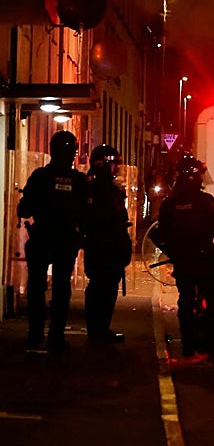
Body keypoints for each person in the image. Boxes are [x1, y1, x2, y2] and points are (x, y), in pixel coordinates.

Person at [151, 155, 214, 361]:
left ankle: (189, 345)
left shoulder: (170, 204)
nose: (201, 180)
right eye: (198, 176)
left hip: (185, 262)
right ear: (191, 178)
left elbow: (161, 234)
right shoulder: (206, 202)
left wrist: (174, 253)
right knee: (212, 304)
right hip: (206, 261)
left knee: (186, 302)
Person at [17, 130, 88, 351]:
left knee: (37, 287)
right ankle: (56, 335)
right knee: (61, 286)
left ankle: (35, 333)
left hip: (42, 238)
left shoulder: (40, 176)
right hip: (65, 241)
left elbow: (25, 208)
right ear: (73, 153)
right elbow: (86, 212)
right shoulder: (78, 180)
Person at [81, 145, 133, 345]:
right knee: (101, 289)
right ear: (103, 165)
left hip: (107, 247)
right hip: (103, 247)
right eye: (114, 164)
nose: (117, 169)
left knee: (106, 288)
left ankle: (100, 330)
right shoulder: (97, 190)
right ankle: (97, 331)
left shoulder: (106, 189)